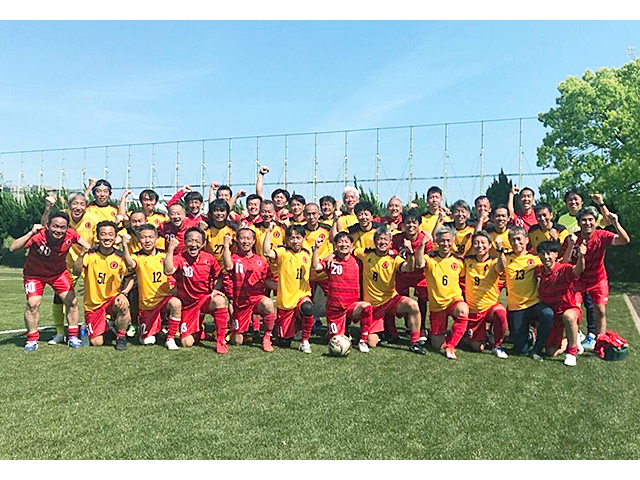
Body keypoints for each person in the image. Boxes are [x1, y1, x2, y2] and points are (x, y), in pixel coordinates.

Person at [10, 212, 90, 351]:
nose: (58, 230)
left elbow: (86, 245)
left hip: (58, 274)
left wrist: (81, 255)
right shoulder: (38, 236)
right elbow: (13, 248)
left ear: (67, 228)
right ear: (48, 226)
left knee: (71, 302)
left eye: (62, 227)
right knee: (32, 304)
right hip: (34, 275)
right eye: (55, 226)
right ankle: (32, 339)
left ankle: (72, 336)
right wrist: (30, 233)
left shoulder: (70, 234)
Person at [353, 226, 425, 354]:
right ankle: (381, 331)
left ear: (390, 242)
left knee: (413, 305)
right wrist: (331, 256)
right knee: (371, 343)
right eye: (379, 239)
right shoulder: (365, 253)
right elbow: (348, 250)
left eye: (385, 239)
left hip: (390, 300)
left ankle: (415, 342)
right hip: (373, 306)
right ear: (374, 241)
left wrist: (410, 252)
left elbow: (409, 268)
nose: (382, 242)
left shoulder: (394, 258)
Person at [562, 206, 630, 341]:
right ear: (578, 222)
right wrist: (571, 246)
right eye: (584, 220)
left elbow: (624, 240)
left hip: (597, 279)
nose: (587, 223)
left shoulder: (602, 235)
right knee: (573, 311)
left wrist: (615, 223)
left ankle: (600, 342)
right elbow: (564, 262)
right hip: (577, 280)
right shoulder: (572, 238)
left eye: (590, 220)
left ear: (595, 221)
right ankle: (575, 341)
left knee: (600, 311)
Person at [557, 190, 610, 348]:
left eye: (576, 199)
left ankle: (593, 336)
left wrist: (601, 203)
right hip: (575, 270)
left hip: (593, 271)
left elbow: (607, 221)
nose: (573, 202)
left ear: (581, 202)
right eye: (570, 200)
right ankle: (576, 335)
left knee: (594, 307)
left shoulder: (591, 215)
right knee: (574, 307)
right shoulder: (562, 219)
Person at [40, 192, 95, 345]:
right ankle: (59, 332)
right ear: (69, 205)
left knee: (95, 296)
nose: (78, 207)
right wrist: (47, 209)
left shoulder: (93, 219)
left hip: (88, 262)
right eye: (75, 203)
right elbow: (44, 227)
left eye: (82, 204)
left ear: (86, 206)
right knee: (60, 298)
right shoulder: (62, 218)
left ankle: (97, 328)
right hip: (66, 264)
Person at [164, 227, 229, 352]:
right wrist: (170, 249)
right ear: (184, 242)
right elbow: (168, 270)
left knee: (219, 300)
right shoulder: (179, 257)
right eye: (190, 241)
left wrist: (216, 289)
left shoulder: (209, 258)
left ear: (203, 244)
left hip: (204, 300)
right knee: (186, 343)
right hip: (188, 304)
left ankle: (221, 340)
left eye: (197, 241)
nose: (193, 244)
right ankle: (200, 330)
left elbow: (219, 276)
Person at [73, 221, 133, 351]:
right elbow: (76, 271)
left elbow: (130, 278)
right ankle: (108, 328)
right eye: (103, 234)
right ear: (98, 236)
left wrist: (124, 293)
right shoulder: (90, 255)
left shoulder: (120, 257)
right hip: (93, 305)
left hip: (112, 299)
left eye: (110, 234)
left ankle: (121, 336)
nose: (107, 238)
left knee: (123, 305)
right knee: (96, 342)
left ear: (115, 237)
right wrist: (81, 254)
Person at [495, 226, 553, 359]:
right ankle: (529, 334)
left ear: (527, 240)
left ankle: (537, 348)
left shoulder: (535, 258)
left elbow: (552, 265)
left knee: (547, 314)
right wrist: (499, 251)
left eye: (519, 239)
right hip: (516, 307)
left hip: (533, 303)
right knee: (521, 350)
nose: (516, 243)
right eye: (513, 240)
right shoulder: (506, 257)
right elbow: (500, 268)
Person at [121, 225, 182, 349]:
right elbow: (130, 265)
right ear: (139, 240)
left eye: (150, 237)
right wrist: (124, 246)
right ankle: (152, 329)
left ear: (156, 239)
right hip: (148, 304)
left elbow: (173, 270)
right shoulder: (137, 256)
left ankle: (170, 338)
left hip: (164, 298)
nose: (147, 240)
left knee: (176, 303)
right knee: (148, 341)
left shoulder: (164, 254)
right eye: (143, 237)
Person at [311, 232, 373, 352]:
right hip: (335, 309)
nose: (343, 244)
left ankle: (363, 340)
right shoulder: (331, 261)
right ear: (335, 245)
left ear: (352, 245)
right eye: (340, 242)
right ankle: (336, 331)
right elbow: (316, 267)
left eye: (346, 242)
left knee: (366, 307)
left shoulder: (358, 261)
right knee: (336, 340)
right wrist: (316, 250)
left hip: (351, 306)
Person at [415, 226, 470, 359]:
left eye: (448, 240)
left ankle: (451, 346)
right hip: (437, 306)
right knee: (437, 345)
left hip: (453, 301)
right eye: (442, 240)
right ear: (437, 241)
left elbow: (463, 278)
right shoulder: (430, 258)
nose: (445, 244)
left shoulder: (458, 261)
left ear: (452, 241)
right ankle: (437, 334)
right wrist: (422, 244)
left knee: (463, 310)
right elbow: (419, 263)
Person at [262, 224, 315, 353]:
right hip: (286, 302)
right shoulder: (283, 252)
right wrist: (268, 232)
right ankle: (286, 329)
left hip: (302, 296)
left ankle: (305, 341)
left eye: (298, 237)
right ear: (287, 240)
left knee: (308, 308)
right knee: (284, 342)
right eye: (292, 238)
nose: (295, 241)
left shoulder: (307, 252)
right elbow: (266, 252)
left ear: (303, 238)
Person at [222, 229, 276, 352]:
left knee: (268, 303)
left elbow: (267, 280)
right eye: (242, 238)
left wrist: (283, 288)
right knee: (237, 341)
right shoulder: (234, 258)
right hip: (241, 303)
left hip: (256, 300)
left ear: (253, 241)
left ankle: (267, 338)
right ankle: (238, 331)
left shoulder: (261, 261)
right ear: (237, 240)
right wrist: (226, 246)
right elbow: (228, 266)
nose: (245, 241)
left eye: (248, 238)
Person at [537, 240, 586, 367]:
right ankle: (574, 338)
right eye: (542, 253)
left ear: (556, 255)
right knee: (551, 352)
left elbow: (578, 270)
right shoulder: (539, 271)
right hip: (553, 315)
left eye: (549, 253)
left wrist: (581, 256)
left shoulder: (564, 269)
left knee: (568, 316)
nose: (546, 257)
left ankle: (572, 353)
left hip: (569, 309)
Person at [462, 231, 509, 359]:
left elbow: (502, 267)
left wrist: (500, 251)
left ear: (489, 245)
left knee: (500, 312)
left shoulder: (494, 262)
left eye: (483, 243)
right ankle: (478, 335)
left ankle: (497, 346)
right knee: (477, 348)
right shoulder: (467, 261)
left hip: (490, 308)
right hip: (474, 310)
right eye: (476, 243)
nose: (480, 246)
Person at [392, 209, 432, 341]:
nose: (411, 225)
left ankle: (422, 328)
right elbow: (392, 251)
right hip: (403, 274)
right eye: (408, 223)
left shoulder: (425, 239)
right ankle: (408, 325)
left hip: (420, 275)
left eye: (414, 222)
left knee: (422, 299)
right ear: (403, 224)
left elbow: (429, 256)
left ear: (419, 224)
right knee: (402, 300)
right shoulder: (397, 238)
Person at [302, 203, 332, 332]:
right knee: (305, 303)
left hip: (324, 273)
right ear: (304, 215)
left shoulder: (327, 229)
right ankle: (304, 328)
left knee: (333, 300)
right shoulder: (300, 231)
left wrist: (331, 255)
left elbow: (336, 242)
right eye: (308, 214)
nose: (311, 217)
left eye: (314, 213)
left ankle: (333, 327)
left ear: (319, 214)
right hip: (306, 274)